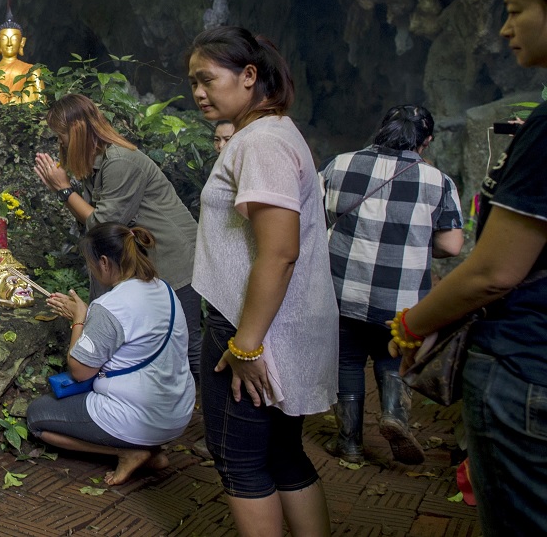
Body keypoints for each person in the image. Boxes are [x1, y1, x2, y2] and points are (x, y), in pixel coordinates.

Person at [390, 0, 547, 534]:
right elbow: (455, 245)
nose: (506, 30)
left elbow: (491, 271)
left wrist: (413, 323)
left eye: (514, 10)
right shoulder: (434, 180)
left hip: (525, 367)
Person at [189, 26, 337, 537]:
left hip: (251, 332)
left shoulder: (262, 142)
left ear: (249, 76)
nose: (198, 93)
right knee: (282, 454)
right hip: (270, 326)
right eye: (192, 83)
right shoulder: (270, 133)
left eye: (207, 79)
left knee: (241, 461)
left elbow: (279, 252)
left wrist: (245, 346)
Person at [320, 105, 464, 465]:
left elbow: (316, 216)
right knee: (390, 354)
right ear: (426, 141)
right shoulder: (437, 181)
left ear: (381, 129)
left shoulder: (339, 164)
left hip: (342, 290)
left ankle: (349, 443)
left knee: (348, 360)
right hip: (400, 299)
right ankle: (395, 416)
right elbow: (451, 245)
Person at [33, 94, 202, 380]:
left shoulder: (120, 162)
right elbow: (93, 222)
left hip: (173, 259)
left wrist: (63, 190)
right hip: (145, 264)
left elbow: (103, 223)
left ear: (78, 131)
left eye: (61, 137)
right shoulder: (94, 165)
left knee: (187, 342)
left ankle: (207, 412)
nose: (59, 144)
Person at [26, 222, 195, 485]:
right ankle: (153, 450)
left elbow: (80, 372)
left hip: (136, 416)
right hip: (177, 411)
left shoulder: (110, 306)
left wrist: (79, 318)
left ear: (104, 262)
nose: (92, 269)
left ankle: (128, 451)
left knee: (37, 417)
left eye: (91, 263)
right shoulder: (165, 290)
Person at [0, 14, 44, 104]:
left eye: (14, 39)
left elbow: (41, 103)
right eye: (4, 39)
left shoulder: (32, 70)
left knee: (30, 87)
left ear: (22, 42)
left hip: (22, 114)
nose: (9, 43)